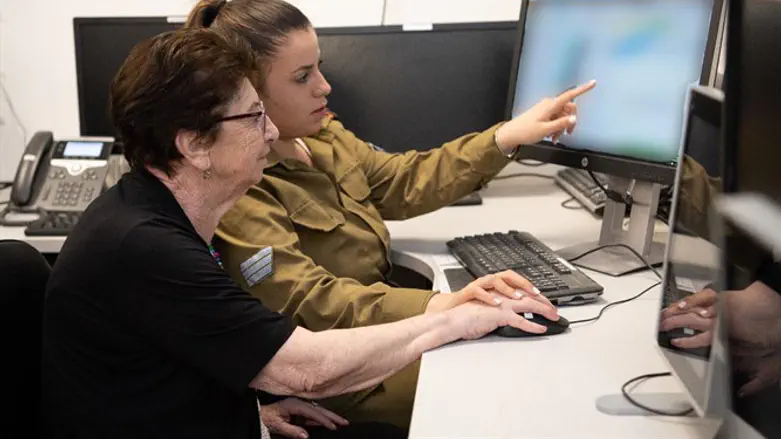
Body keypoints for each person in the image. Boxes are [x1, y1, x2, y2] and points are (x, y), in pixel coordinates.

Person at [40, 28, 563, 439]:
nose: (271, 132)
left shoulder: (154, 212)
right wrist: (454, 319)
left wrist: (252, 414)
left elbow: (166, 369)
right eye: (253, 117)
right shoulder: (145, 247)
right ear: (195, 145)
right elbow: (307, 372)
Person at [184, 0, 596, 428]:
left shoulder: (319, 136)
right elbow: (308, 302)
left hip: (387, 331)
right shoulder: (242, 184)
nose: (324, 87)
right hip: (344, 371)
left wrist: (505, 137)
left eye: (319, 68)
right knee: (498, 383)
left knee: (524, 356)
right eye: (302, 77)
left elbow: (401, 180)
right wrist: (442, 306)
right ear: (247, 91)